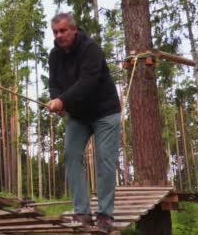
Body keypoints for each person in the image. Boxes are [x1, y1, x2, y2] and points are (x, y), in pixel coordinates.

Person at [46, 13, 121, 233]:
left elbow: (87, 83)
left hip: (105, 113)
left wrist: (63, 100)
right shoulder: (54, 55)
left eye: (63, 31)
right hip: (78, 116)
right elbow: (53, 85)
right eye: (55, 32)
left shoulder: (91, 49)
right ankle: (82, 212)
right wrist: (57, 101)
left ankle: (105, 215)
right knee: (71, 156)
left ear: (74, 30)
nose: (59, 36)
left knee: (105, 161)